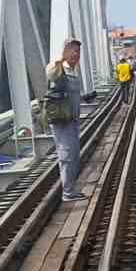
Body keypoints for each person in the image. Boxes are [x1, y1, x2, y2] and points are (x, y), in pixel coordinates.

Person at [45, 38, 86, 202]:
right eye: (73, 50)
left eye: (78, 51)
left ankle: (70, 189)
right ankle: (68, 192)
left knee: (74, 154)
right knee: (67, 154)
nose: (76, 54)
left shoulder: (73, 70)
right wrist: (61, 58)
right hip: (61, 120)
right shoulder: (57, 67)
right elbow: (51, 74)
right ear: (65, 51)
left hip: (73, 119)